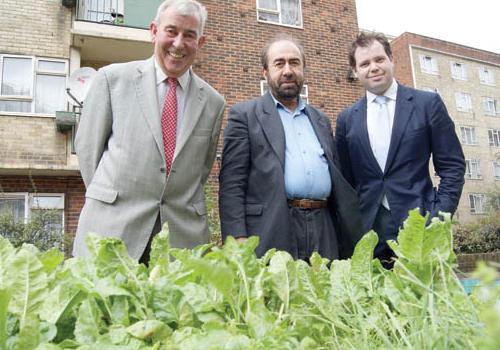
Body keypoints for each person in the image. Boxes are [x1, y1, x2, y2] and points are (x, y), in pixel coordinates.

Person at [72, 0, 226, 262]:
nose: (178, 43)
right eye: (171, 31)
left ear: (200, 43)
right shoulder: (112, 80)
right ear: (154, 31)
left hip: (180, 240)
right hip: (112, 232)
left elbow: (200, 171)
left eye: (189, 35)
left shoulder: (213, 103)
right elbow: (89, 154)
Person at [219, 35, 362, 261]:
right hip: (273, 226)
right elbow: (232, 183)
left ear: (303, 69)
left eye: (294, 62)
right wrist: (237, 236)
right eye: (279, 63)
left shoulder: (321, 120)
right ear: (265, 72)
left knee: (323, 292)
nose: (288, 70)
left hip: (324, 226)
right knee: (280, 294)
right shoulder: (245, 116)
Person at [336, 32, 465, 267]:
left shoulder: (427, 104)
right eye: (365, 63)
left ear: (391, 59)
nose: (373, 67)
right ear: (355, 71)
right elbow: (347, 180)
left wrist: (439, 216)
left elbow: (452, 166)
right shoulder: (347, 119)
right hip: (368, 233)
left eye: (379, 59)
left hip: (420, 224)